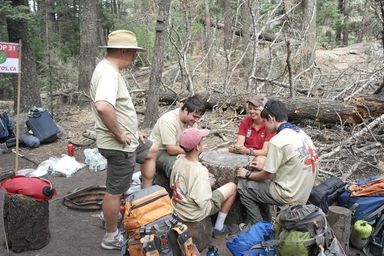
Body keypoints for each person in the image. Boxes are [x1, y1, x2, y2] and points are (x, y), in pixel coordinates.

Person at [90, 30, 158, 250]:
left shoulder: (108, 69)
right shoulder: (108, 73)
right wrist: (120, 133)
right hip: (118, 146)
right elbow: (103, 106)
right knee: (115, 191)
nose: (135, 57)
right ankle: (111, 235)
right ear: (123, 50)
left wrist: (132, 129)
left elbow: (115, 107)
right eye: (134, 53)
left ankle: (142, 197)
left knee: (150, 150)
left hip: (126, 141)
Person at [236, 99, 318, 224]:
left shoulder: (277, 141)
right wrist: (265, 165)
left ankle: (258, 225)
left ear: (271, 118)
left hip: (289, 194)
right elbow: (290, 161)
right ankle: (268, 221)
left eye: (265, 121)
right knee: (260, 185)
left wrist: (247, 174)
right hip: (303, 190)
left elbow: (267, 174)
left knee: (243, 186)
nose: (265, 125)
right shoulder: (301, 134)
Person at [170, 128, 237, 237]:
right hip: (193, 213)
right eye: (202, 141)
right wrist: (208, 183)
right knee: (232, 187)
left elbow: (173, 184)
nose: (203, 143)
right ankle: (219, 228)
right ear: (197, 147)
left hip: (178, 207)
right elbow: (202, 201)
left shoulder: (179, 160)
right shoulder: (200, 170)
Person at [149, 96, 206, 178]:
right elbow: (171, 149)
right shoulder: (169, 120)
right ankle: (179, 187)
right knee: (178, 165)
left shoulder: (191, 121)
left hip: (180, 148)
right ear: (185, 110)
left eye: (198, 117)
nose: (196, 120)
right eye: (194, 116)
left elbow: (195, 142)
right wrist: (189, 152)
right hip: (159, 151)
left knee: (199, 160)